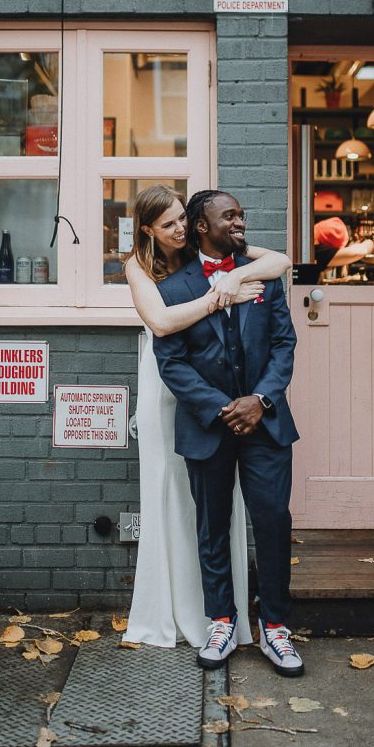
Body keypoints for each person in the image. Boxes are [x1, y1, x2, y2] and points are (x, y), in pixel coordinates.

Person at [122, 184, 291, 649]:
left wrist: (259, 400)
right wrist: (222, 295)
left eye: (181, 218)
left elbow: (283, 336)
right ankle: (216, 620)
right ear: (151, 230)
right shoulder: (150, 274)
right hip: (194, 409)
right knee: (205, 520)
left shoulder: (253, 270)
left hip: (262, 415)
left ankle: (274, 627)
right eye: (169, 224)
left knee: (272, 519)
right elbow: (165, 338)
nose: (178, 229)